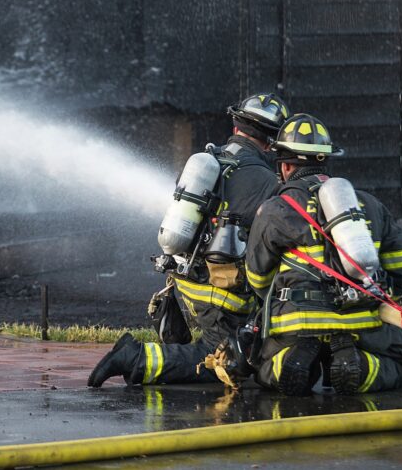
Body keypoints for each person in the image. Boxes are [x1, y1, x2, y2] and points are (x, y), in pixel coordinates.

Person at [87, 93, 290, 388]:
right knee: (222, 360)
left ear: (235, 127)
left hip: (185, 284)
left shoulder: (208, 161)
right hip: (221, 295)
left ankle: (143, 351)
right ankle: (135, 358)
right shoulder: (266, 181)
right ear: (273, 142)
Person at [245, 113, 402, 396]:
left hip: (297, 323)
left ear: (286, 166)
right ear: (325, 160)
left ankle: (289, 361)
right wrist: (382, 298)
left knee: (259, 363)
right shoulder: (368, 204)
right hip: (361, 321)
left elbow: (257, 278)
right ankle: (360, 367)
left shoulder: (273, 210)